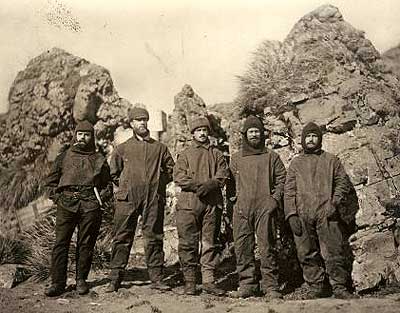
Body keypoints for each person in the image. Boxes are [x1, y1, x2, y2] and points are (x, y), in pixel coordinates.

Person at [106, 106, 175, 292]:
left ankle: (157, 278)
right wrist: (128, 185)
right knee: (122, 236)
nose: (142, 123)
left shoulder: (159, 148)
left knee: (153, 237)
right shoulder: (122, 149)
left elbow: (171, 171)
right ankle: (114, 279)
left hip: (153, 198)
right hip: (127, 198)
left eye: (145, 119)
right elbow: (114, 173)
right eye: (138, 120)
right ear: (131, 124)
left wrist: (157, 186)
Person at [284, 122, 355, 299]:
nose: (311, 139)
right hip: (303, 215)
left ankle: (339, 287)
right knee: (306, 253)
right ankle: (315, 287)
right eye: (308, 136)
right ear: (302, 139)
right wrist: (291, 214)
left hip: (327, 213)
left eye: (314, 136)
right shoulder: (296, 163)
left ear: (320, 139)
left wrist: (335, 203)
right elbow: (289, 190)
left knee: (334, 250)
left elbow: (342, 183)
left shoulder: (331, 160)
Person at [45, 120, 112, 297]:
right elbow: (51, 182)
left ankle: (81, 280)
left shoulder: (99, 159)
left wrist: (99, 201)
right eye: (80, 134)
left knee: (86, 243)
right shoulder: (64, 156)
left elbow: (108, 186)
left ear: (92, 137)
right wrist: (59, 198)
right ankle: (57, 283)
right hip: (66, 204)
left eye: (87, 134)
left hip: (90, 206)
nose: (83, 137)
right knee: (61, 243)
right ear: (75, 135)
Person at [228, 115, 286, 300]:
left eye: (257, 131)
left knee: (267, 247)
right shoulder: (236, 158)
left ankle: (271, 286)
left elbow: (282, 180)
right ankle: (247, 285)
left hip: (265, 208)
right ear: (245, 134)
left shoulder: (272, 157)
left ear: (262, 134)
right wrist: (234, 201)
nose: (254, 135)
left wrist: (274, 200)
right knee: (243, 247)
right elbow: (229, 183)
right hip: (242, 209)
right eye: (251, 131)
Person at [173, 116, 229, 296]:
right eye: (198, 130)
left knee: (209, 242)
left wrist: (211, 185)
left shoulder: (217, 153)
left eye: (205, 130)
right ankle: (190, 281)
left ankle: (208, 281)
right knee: (188, 243)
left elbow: (223, 173)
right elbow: (179, 176)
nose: (202, 133)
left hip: (211, 204)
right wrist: (199, 186)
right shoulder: (185, 154)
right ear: (193, 134)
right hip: (189, 203)